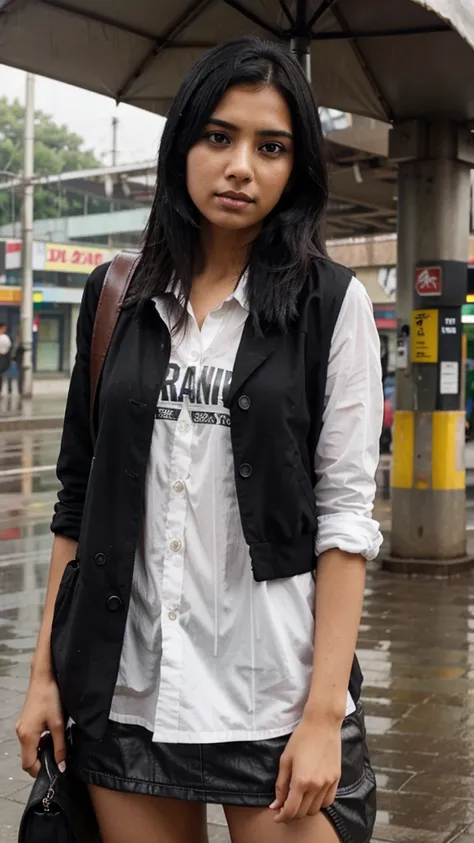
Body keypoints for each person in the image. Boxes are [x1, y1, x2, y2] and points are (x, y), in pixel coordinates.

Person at [16, 37, 383, 843]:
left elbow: (346, 518)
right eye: (219, 136)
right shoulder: (119, 296)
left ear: (297, 169)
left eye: (271, 146)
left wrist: (324, 713)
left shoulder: (332, 306)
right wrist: (45, 673)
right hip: (126, 691)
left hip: (272, 697)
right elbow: (77, 500)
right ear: (182, 143)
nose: (241, 166)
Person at [0, 321, 12, 396]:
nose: (5, 329)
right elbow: (8, 347)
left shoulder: (5, 337)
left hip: (3, 358)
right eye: (4, 328)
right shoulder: (5, 338)